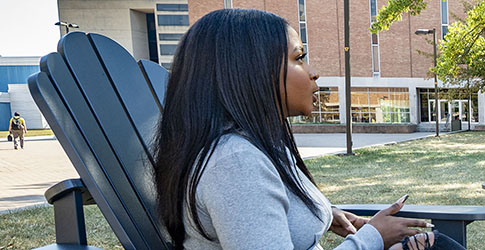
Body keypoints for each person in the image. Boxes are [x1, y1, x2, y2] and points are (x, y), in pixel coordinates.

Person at [152, 9, 462, 250]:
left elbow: (268, 210)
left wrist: (326, 213)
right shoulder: (234, 164)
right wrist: (371, 239)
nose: (314, 73)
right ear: (250, 72)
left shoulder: (258, 147)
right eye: (299, 58)